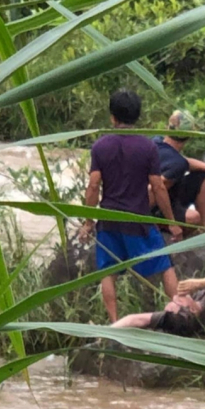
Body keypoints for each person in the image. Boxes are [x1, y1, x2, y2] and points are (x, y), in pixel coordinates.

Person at [79, 89, 182, 323]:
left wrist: (88, 221)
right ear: (138, 116)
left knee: (108, 271)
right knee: (165, 264)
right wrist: (172, 223)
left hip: (108, 220)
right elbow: (158, 187)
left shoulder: (100, 147)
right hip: (138, 220)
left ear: (112, 117)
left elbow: (94, 185)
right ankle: (178, 313)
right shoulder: (148, 148)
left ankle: (115, 323)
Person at [150, 110, 205, 232]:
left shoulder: (156, 141)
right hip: (154, 205)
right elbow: (157, 188)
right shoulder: (177, 163)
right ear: (188, 137)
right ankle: (159, 223)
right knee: (194, 218)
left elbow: (185, 162)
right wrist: (172, 223)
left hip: (166, 194)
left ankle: (204, 227)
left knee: (202, 176)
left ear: (168, 128)